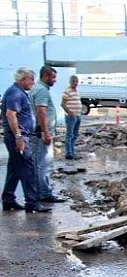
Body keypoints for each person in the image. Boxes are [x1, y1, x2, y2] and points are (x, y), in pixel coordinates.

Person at [1, 68, 51, 213]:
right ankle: (32, 202)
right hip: (19, 137)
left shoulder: (18, 92)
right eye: (31, 79)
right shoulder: (16, 93)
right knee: (27, 169)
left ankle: (8, 199)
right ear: (23, 79)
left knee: (14, 169)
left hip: (20, 136)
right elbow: (11, 114)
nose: (33, 83)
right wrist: (19, 137)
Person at [29, 66, 65, 204]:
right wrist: (46, 133)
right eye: (53, 77)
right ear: (45, 76)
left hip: (38, 132)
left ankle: (41, 191)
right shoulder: (41, 90)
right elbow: (41, 112)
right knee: (43, 165)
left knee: (39, 164)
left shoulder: (37, 89)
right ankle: (43, 193)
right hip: (41, 133)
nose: (55, 81)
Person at [61, 75, 82, 160]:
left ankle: (72, 152)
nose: (75, 83)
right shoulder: (67, 91)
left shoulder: (77, 91)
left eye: (76, 81)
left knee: (75, 135)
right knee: (69, 135)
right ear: (70, 82)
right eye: (73, 81)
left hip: (78, 115)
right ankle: (68, 153)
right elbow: (62, 104)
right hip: (71, 116)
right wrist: (69, 112)